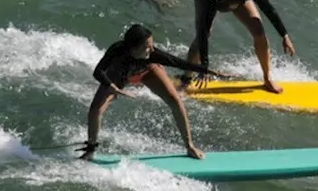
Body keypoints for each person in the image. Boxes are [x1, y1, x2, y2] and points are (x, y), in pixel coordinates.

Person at [78, 24, 225, 162]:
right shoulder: (117, 51)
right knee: (95, 110)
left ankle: (189, 146)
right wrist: (111, 86)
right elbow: (98, 71)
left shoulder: (153, 55)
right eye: (147, 47)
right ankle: (90, 149)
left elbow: (178, 62)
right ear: (133, 49)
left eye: (152, 44)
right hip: (118, 77)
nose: (152, 49)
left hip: (148, 72)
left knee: (175, 100)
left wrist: (207, 70)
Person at [182, 0, 296, 94]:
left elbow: (269, 10)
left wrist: (284, 36)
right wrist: (204, 66)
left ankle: (267, 78)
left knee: (258, 30)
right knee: (205, 34)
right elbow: (202, 31)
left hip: (238, 1)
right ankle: (186, 77)